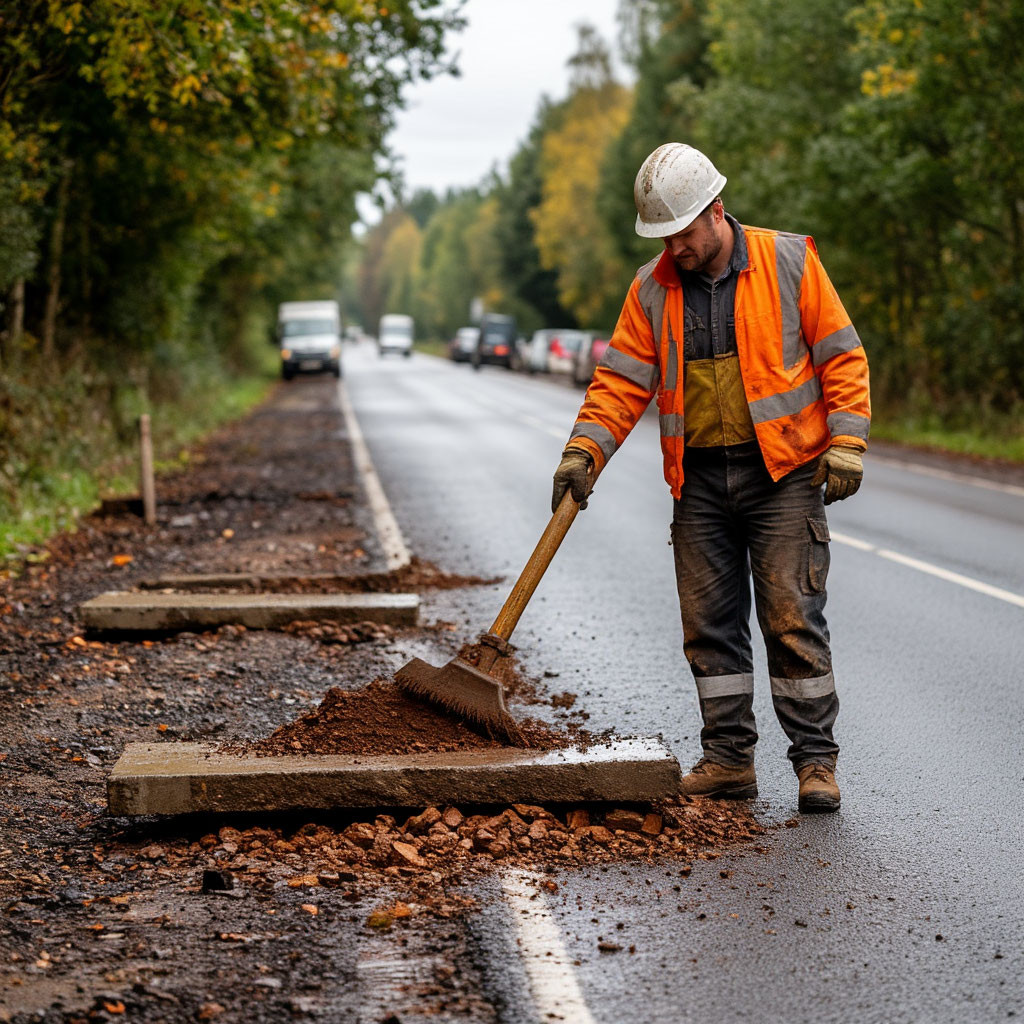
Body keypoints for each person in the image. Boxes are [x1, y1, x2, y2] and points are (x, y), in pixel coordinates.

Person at [552, 143, 870, 813]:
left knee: (792, 620)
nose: (675, 249)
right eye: (664, 238)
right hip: (697, 481)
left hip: (782, 475)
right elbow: (620, 383)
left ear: (716, 211)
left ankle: (816, 763)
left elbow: (841, 355)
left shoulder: (789, 261)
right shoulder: (652, 288)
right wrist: (584, 450)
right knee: (709, 627)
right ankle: (729, 761)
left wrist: (847, 442)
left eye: (683, 233)